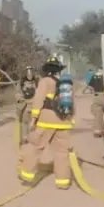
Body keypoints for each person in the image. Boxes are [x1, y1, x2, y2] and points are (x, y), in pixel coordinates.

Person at [19, 56, 75, 190]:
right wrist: (71, 120)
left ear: (46, 70)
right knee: (61, 153)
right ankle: (62, 181)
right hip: (63, 122)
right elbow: (72, 104)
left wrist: (33, 119)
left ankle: (26, 175)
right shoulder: (64, 84)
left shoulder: (45, 82)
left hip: (46, 122)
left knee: (36, 147)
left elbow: (38, 100)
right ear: (58, 70)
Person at [16, 65, 39, 145]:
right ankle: (24, 138)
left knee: (33, 123)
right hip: (25, 105)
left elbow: (40, 93)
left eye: (31, 72)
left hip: (34, 106)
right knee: (24, 123)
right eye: (28, 73)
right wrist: (21, 98)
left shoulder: (36, 82)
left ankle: (32, 138)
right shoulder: (21, 83)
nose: (30, 75)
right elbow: (18, 93)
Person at [88, 69, 104, 136]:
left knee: (98, 114)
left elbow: (90, 87)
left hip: (96, 96)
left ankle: (97, 131)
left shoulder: (94, 76)